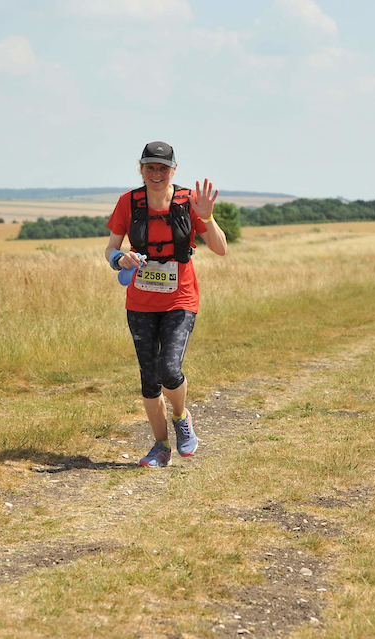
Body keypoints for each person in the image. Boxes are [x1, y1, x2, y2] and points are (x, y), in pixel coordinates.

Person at [104, 141, 228, 468]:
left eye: (163, 167)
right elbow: (110, 249)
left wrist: (208, 218)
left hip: (180, 300)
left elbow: (221, 248)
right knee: (149, 378)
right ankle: (160, 447)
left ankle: (181, 417)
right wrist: (121, 259)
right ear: (141, 169)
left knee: (169, 371)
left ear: (174, 170)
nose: (156, 173)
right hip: (140, 302)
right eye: (150, 167)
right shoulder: (128, 202)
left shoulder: (189, 202)